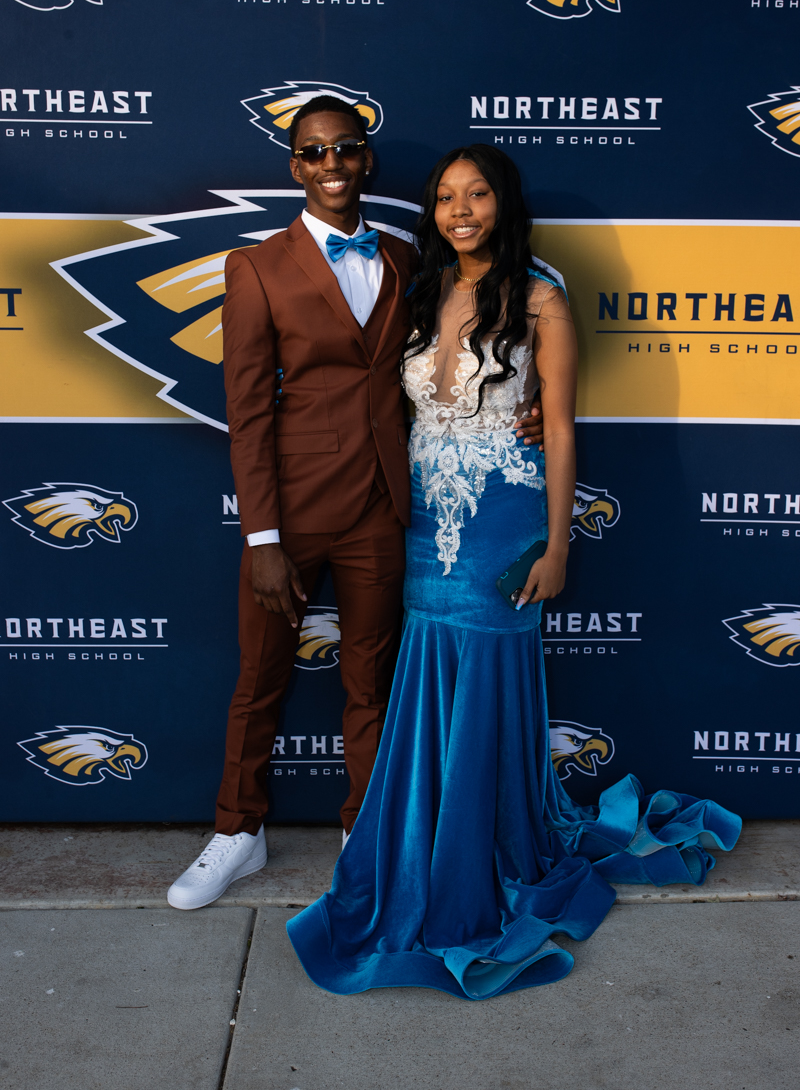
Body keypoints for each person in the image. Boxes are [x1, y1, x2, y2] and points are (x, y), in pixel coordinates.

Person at [286, 145, 742, 999]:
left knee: (488, 674)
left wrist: (559, 545)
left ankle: (482, 856)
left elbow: (559, 428)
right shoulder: (418, 291)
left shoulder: (541, 300)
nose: (460, 210)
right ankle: (425, 848)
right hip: (425, 522)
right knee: (429, 674)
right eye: (445, 196)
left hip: (504, 523)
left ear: (504, 204)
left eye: (478, 194)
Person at [167, 105, 543, 911]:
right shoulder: (256, 267)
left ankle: (366, 833)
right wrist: (262, 536)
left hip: (382, 509)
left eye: (344, 148)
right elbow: (247, 412)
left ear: (366, 160)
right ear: (295, 167)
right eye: (313, 152)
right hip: (292, 512)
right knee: (260, 677)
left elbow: (465, 352)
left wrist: (530, 403)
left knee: (372, 684)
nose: (330, 162)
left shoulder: (409, 258)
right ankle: (238, 831)